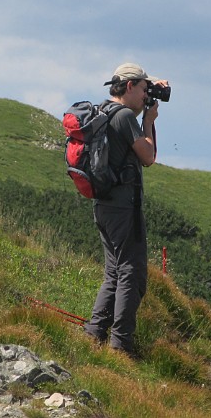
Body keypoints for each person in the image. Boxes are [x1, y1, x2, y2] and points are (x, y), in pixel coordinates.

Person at [83, 62, 168, 357]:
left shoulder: (103, 111)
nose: (147, 97)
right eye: (144, 89)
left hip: (103, 204)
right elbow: (148, 157)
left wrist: (153, 83)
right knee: (131, 274)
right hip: (123, 208)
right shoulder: (123, 118)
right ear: (129, 87)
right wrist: (148, 121)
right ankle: (121, 345)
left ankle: (95, 334)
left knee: (114, 273)